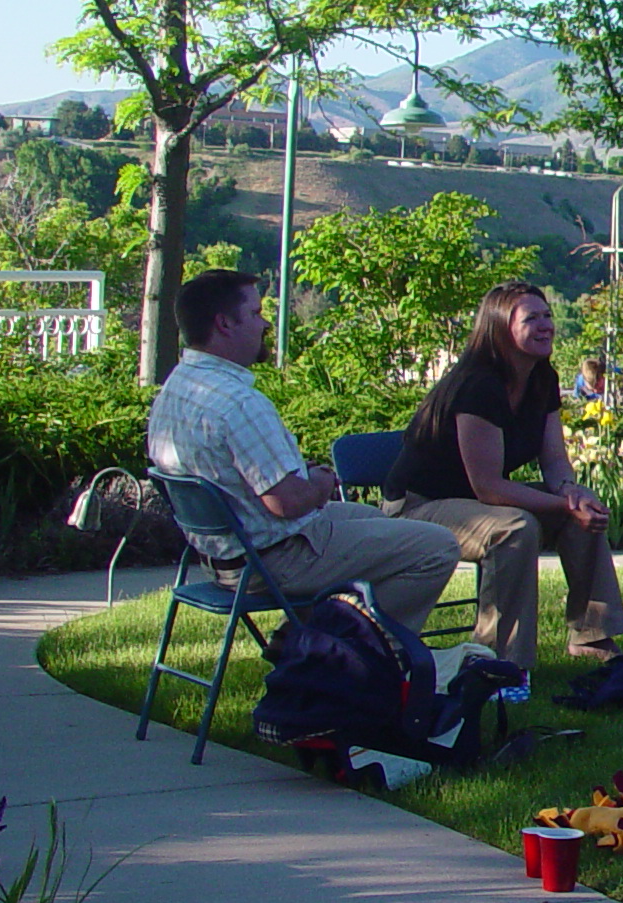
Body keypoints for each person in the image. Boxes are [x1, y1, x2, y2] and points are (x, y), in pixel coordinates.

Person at [147, 269, 461, 634]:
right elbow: (287, 504)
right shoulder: (238, 403)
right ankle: (355, 653)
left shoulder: (176, 390)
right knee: (437, 546)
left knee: (365, 515)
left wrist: (301, 480)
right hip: (272, 562)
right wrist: (319, 483)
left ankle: (295, 640)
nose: (264, 323)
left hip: (223, 556)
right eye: (255, 313)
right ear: (224, 324)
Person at [386, 283, 623, 694]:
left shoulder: (541, 380)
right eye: (532, 318)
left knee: (587, 513)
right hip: (418, 507)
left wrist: (572, 493)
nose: (546, 325)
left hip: (474, 503)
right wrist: (563, 505)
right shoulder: (478, 385)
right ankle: (499, 664)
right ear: (499, 327)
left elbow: (553, 462)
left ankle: (593, 638)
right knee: (515, 528)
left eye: (547, 315)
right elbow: (489, 488)